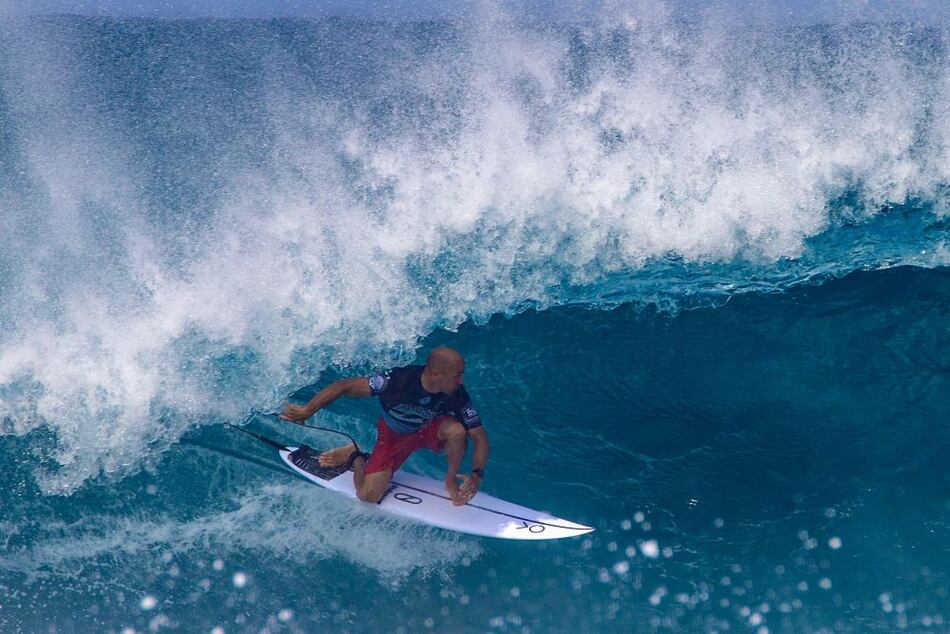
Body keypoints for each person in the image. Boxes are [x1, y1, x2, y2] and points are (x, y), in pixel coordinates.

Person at [281, 347, 489, 506]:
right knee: (368, 496)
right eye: (457, 375)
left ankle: (450, 478)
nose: (461, 381)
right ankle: (356, 457)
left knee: (457, 431)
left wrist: (477, 473)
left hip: (428, 429)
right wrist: (307, 410)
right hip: (393, 435)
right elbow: (343, 386)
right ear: (436, 374)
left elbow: (478, 436)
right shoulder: (397, 381)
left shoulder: (457, 394)